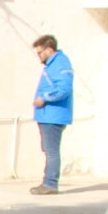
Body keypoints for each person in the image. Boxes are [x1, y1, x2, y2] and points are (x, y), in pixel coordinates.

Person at [29, 33, 74, 195]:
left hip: (53, 115)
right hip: (48, 115)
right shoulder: (53, 64)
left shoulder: (60, 64)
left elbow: (64, 88)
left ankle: (50, 184)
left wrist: (44, 98)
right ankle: (48, 182)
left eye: (40, 52)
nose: (39, 56)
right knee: (49, 149)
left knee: (52, 150)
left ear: (49, 50)